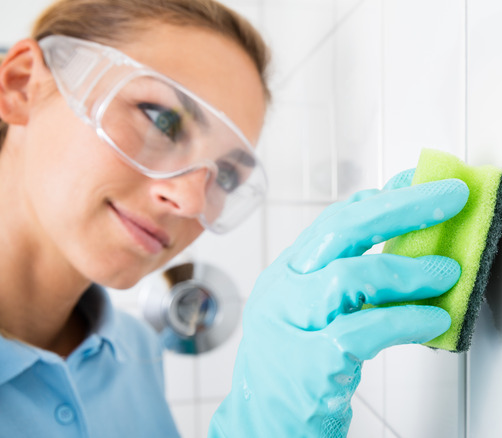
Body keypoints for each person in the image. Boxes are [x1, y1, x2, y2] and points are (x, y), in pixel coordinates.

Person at [0, 0, 468, 437]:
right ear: (22, 84)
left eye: (225, 175)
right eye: (160, 120)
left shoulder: (135, 350)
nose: (188, 199)